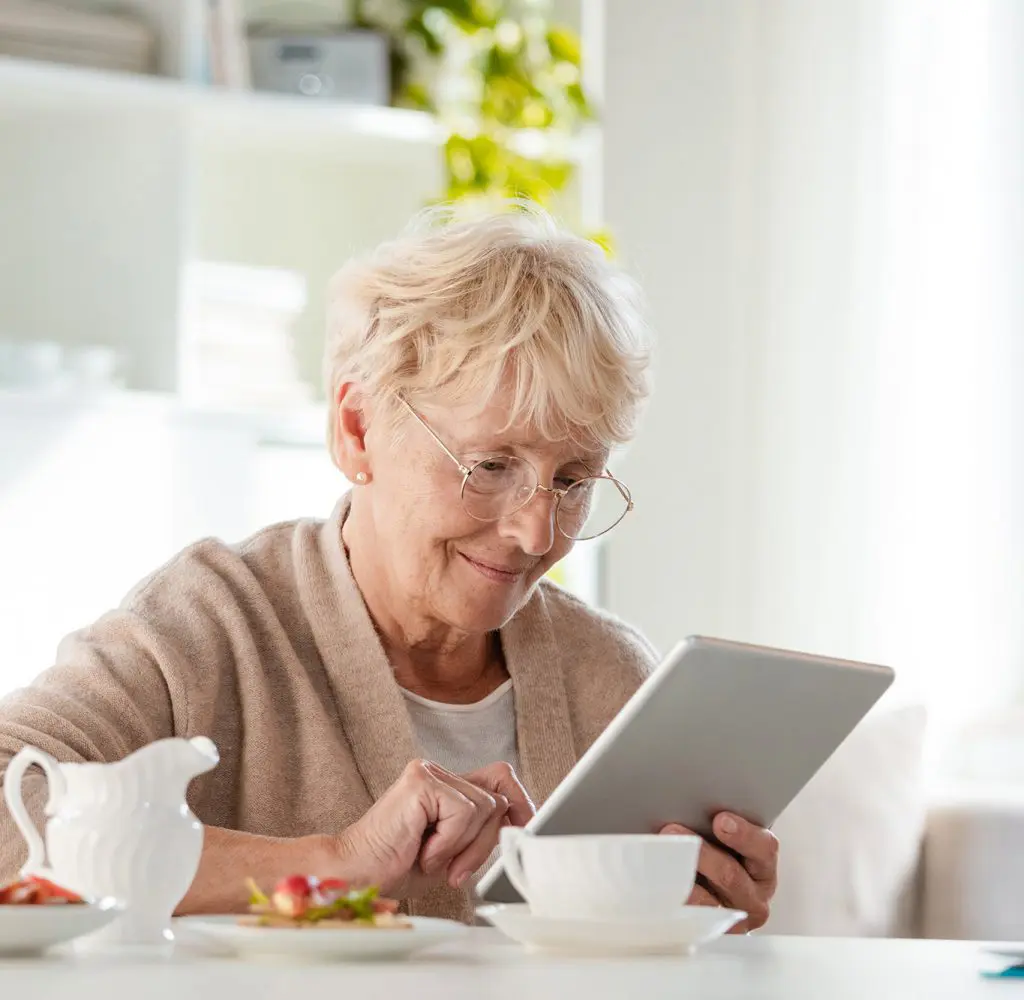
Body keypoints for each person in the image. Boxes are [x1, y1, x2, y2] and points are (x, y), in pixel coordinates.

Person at [0, 203, 778, 929]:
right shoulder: (211, 624)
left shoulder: (605, 675)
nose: (536, 530)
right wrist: (327, 866)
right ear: (357, 428)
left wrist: (701, 925)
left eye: (573, 479)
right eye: (491, 464)